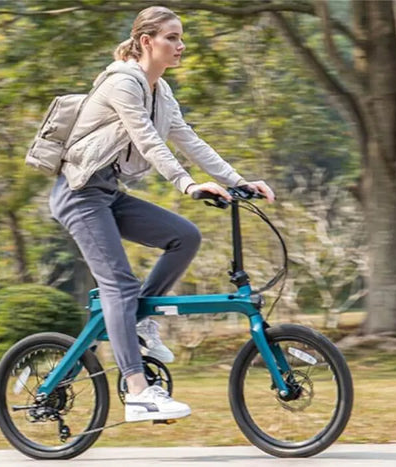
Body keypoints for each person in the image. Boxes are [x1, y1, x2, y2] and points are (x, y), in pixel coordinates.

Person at [49, 6, 275, 422]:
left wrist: (240, 181)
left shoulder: (161, 91)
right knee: (118, 283)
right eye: (172, 37)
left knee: (184, 237)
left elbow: (189, 139)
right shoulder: (122, 82)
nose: (180, 45)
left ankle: (139, 322)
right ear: (146, 41)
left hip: (107, 193)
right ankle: (138, 392)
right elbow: (148, 140)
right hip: (79, 195)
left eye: (181, 37)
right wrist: (187, 184)